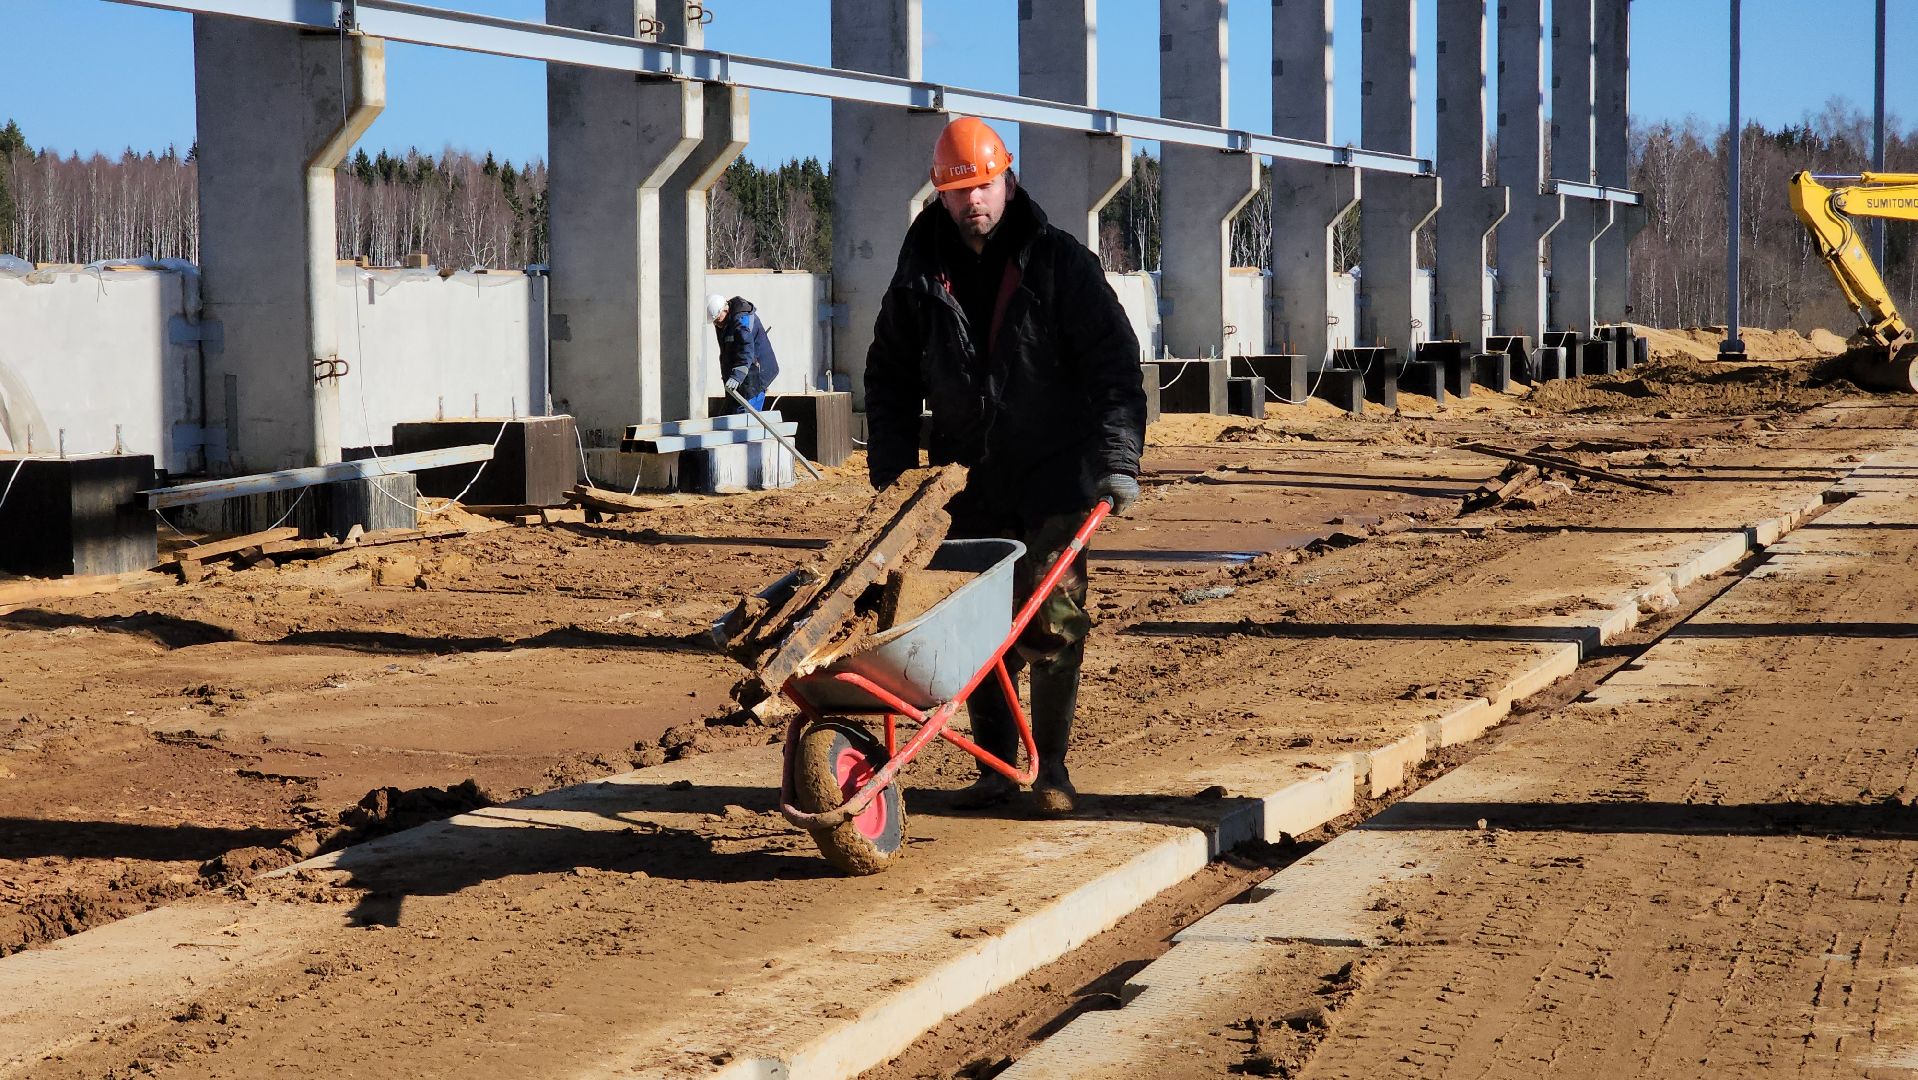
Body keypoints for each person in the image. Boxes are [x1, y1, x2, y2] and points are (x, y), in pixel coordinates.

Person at [863, 116, 1148, 815]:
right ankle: (996, 768)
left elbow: (1114, 368)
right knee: (975, 625)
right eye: (959, 190)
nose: (974, 202)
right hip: (965, 478)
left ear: (1008, 178)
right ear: (939, 192)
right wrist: (899, 479)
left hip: (1056, 474)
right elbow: (890, 379)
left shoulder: (1059, 264)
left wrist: (1116, 460)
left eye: (984, 185)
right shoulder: (918, 272)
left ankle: (1051, 770)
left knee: (1052, 618)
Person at [707, 293, 780, 412]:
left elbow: (746, 349)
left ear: (725, 310)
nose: (717, 324)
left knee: (745, 420)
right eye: (714, 322)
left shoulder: (742, 321)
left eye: (718, 320)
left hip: (754, 375)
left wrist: (736, 376)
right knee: (731, 417)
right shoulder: (724, 322)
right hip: (742, 376)